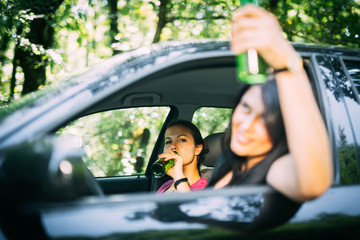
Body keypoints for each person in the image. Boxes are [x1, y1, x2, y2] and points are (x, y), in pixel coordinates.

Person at [207, 5, 333, 204]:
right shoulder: (227, 161)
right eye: (246, 107)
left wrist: (286, 64)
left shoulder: (273, 169)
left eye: (266, 120)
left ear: (284, 128)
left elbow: (312, 185)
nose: (246, 126)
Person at [156, 120, 208, 194]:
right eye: (168, 142)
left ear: (197, 149)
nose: (173, 146)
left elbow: (189, 205)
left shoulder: (207, 190)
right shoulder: (167, 185)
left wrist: (179, 178)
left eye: (182, 140)